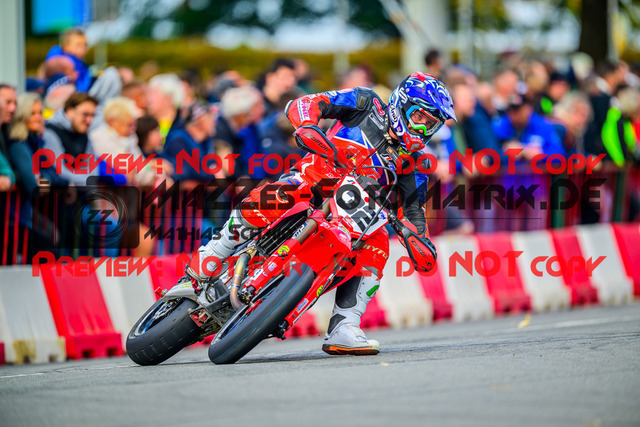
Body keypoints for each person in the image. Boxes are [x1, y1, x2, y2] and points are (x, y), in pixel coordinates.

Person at [187, 72, 457, 355]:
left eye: (431, 124)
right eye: (419, 117)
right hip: (314, 178)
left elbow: (414, 214)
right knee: (281, 191)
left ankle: (345, 324)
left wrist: (419, 241)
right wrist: (307, 124)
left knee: (378, 244)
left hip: (353, 215)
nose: (423, 128)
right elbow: (305, 103)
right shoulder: (366, 102)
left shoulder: (414, 163)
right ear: (401, 104)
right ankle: (216, 250)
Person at [45, 28, 92, 92]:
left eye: (85, 45)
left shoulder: (83, 65)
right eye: (78, 45)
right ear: (66, 46)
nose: (83, 48)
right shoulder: (57, 53)